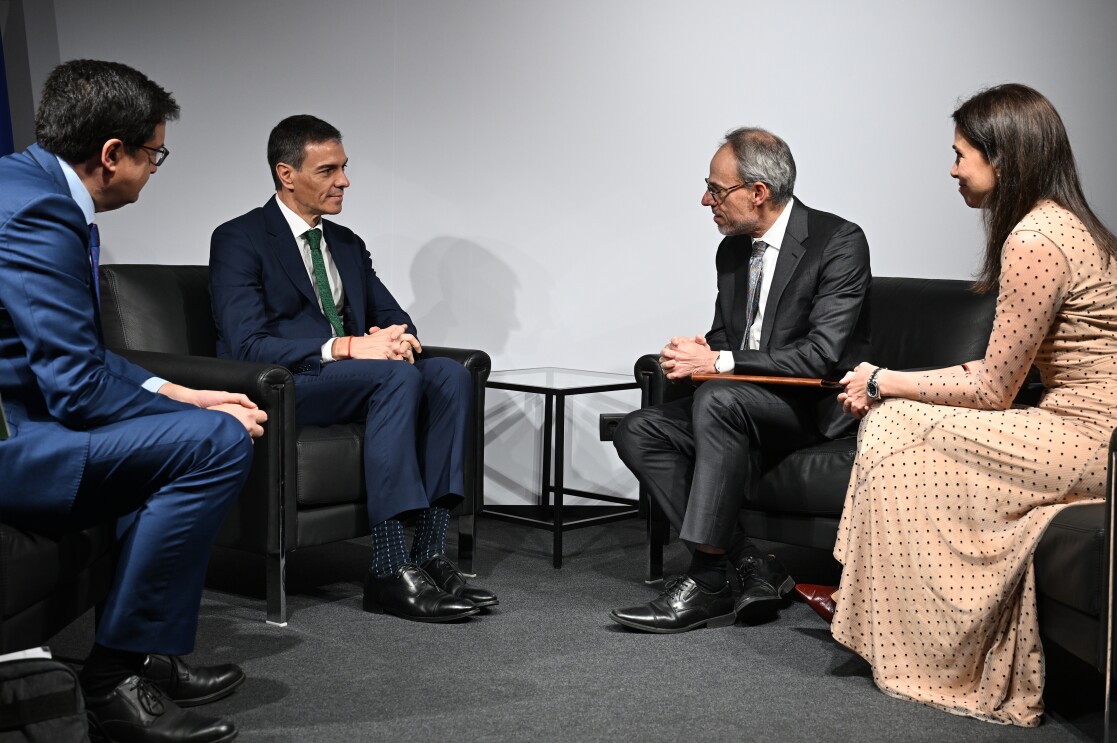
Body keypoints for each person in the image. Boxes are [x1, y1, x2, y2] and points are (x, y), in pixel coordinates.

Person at [806, 84, 1117, 726]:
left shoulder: (1036, 237)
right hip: (1088, 428)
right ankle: (875, 598)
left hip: (1091, 439)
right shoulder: (1068, 222)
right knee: (907, 429)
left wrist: (881, 380)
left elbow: (992, 389)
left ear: (1003, 157)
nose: (952, 169)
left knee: (894, 420)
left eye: (960, 155)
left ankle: (894, 620)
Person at [0, 60, 267, 742]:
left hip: (22, 412)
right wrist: (202, 417)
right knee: (215, 443)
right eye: (156, 155)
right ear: (112, 155)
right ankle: (115, 678)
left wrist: (174, 389)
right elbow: (76, 385)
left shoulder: (24, 184)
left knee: (192, 433)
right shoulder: (35, 209)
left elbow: (67, 350)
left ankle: (146, 655)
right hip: (11, 435)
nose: (154, 168)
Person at [209, 115, 496, 623]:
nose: (343, 180)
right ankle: (387, 568)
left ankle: (428, 553)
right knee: (396, 376)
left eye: (344, 167)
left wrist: (397, 338)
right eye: (328, 170)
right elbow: (247, 345)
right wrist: (343, 347)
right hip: (288, 383)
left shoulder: (345, 243)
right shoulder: (240, 239)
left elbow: (393, 317)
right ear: (286, 174)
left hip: (357, 379)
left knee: (449, 375)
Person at [609, 128, 871, 633]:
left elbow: (820, 356)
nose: (705, 200)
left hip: (807, 408)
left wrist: (721, 364)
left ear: (758, 191)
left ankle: (707, 580)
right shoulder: (732, 251)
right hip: (738, 402)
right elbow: (727, 338)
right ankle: (754, 563)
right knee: (637, 429)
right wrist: (695, 355)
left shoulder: (838, 242)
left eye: (716, 188)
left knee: (720, 397)